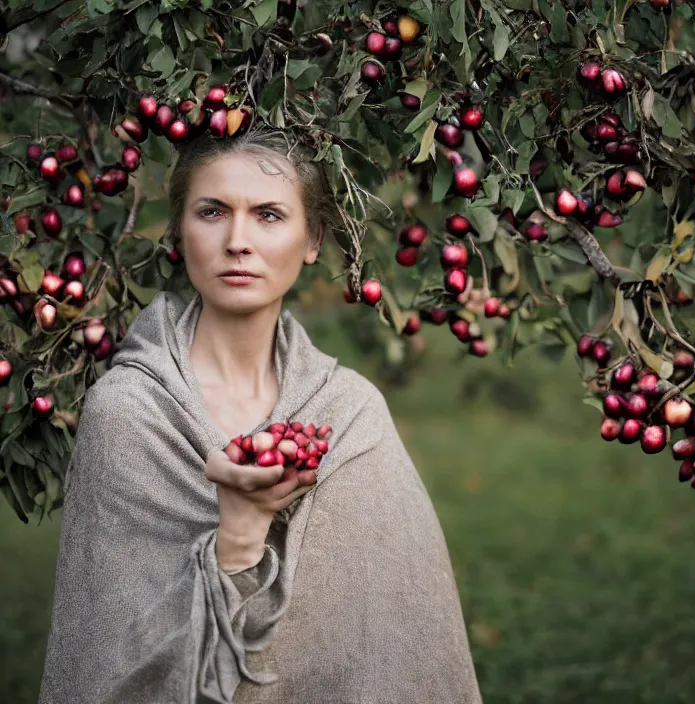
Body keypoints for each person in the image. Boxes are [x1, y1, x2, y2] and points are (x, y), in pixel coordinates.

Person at [38, 127, 483, 703]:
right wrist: (238, 539)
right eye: (212, 211)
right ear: (179, 231)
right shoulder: (127, 414)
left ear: (313, 238)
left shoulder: (348, 416)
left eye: (269, 215)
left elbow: (404, 642)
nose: (238, 240)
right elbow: (109, 660)